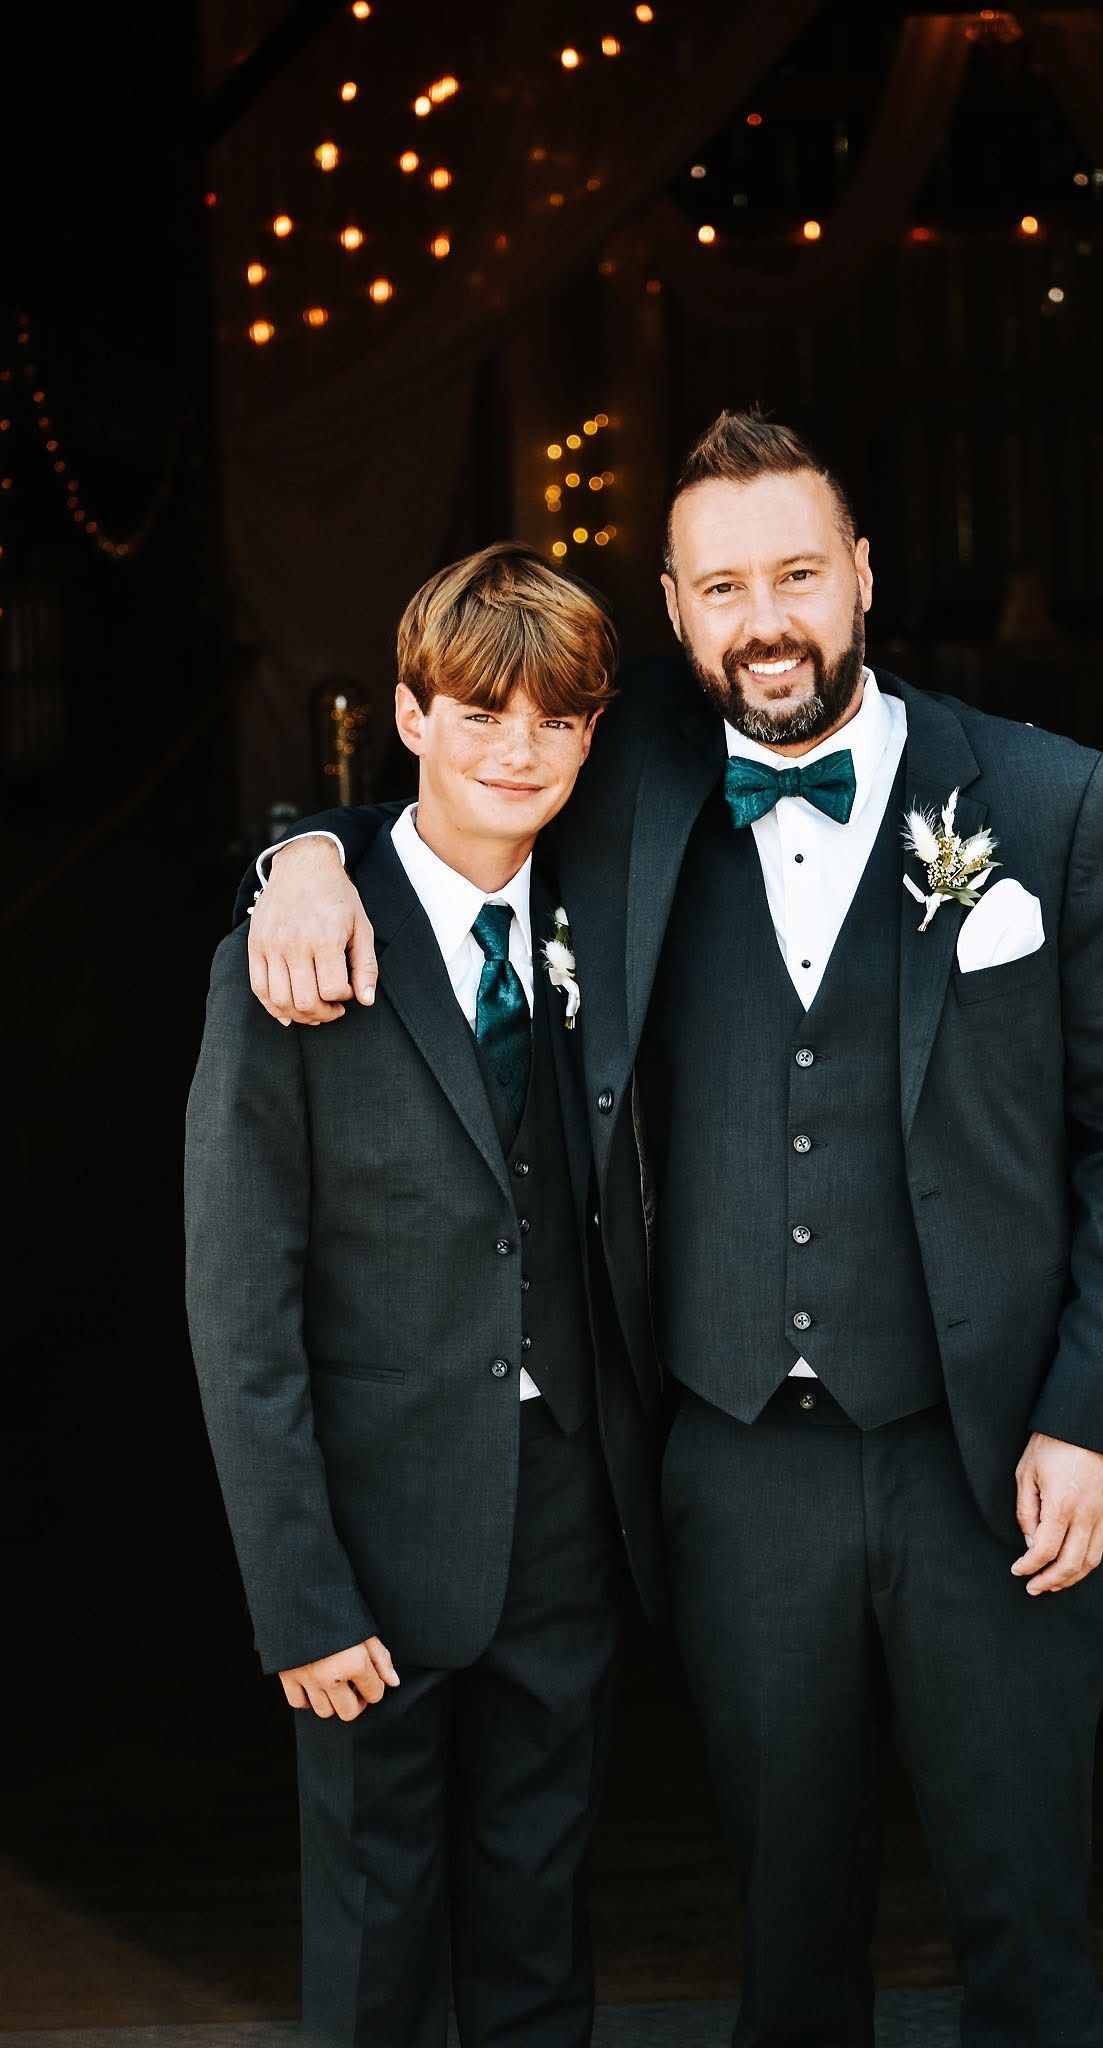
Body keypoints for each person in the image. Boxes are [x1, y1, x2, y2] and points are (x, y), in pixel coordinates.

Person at [238, 413, 1103, 2048]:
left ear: (863, 581)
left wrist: (1089, 1419)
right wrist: (297, 853)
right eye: (724, 585)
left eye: (800, 574)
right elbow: (447, 810)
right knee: (787, 1946)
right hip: (737, 1475)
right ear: (677, 617)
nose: (767, 619)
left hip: (1003, 1471)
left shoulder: (1047, 804)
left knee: (1027, 1936)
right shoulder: (615, 805)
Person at [185, 542, 664, 2048]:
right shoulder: (290, 956)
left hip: (568, 1522)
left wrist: (298, 839)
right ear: (408, 716)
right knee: (378, 1939)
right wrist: (298, 1598)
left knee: (538, 1921)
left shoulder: (612, 916)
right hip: (372, 1549)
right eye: (477, 715)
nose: (516, 752)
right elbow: (237, 1309)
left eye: (554, 723)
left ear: (591, 736)